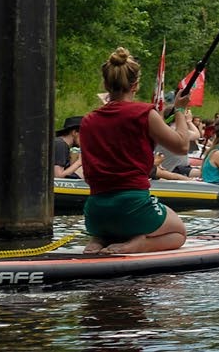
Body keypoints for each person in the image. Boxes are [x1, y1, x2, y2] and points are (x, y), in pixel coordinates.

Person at [78, 48, 191, 254]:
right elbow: (182, 145)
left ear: (105, 84)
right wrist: (181, 110)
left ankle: (98, 240)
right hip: (132, 206)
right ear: (136, 85)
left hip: (95, 213)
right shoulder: (144, 113)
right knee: (178, 233)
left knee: (110, 221)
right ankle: (138, 244)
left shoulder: (87, 121)